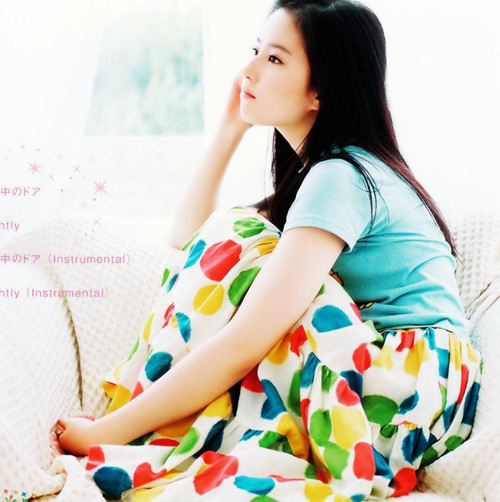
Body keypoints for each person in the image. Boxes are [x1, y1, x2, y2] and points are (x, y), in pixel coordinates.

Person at [50, 1, 482, 500]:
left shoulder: (340, 176)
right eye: (255, 50)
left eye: (274, 59)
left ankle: (139, 416)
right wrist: (229, 130)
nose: (248, 71)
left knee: (247, 247)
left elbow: (243, 342)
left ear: (322, 90)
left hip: (406, 387)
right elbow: (190, 241)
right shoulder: (333, 170)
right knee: (240, 236)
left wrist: (104, 434)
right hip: (425, 387)